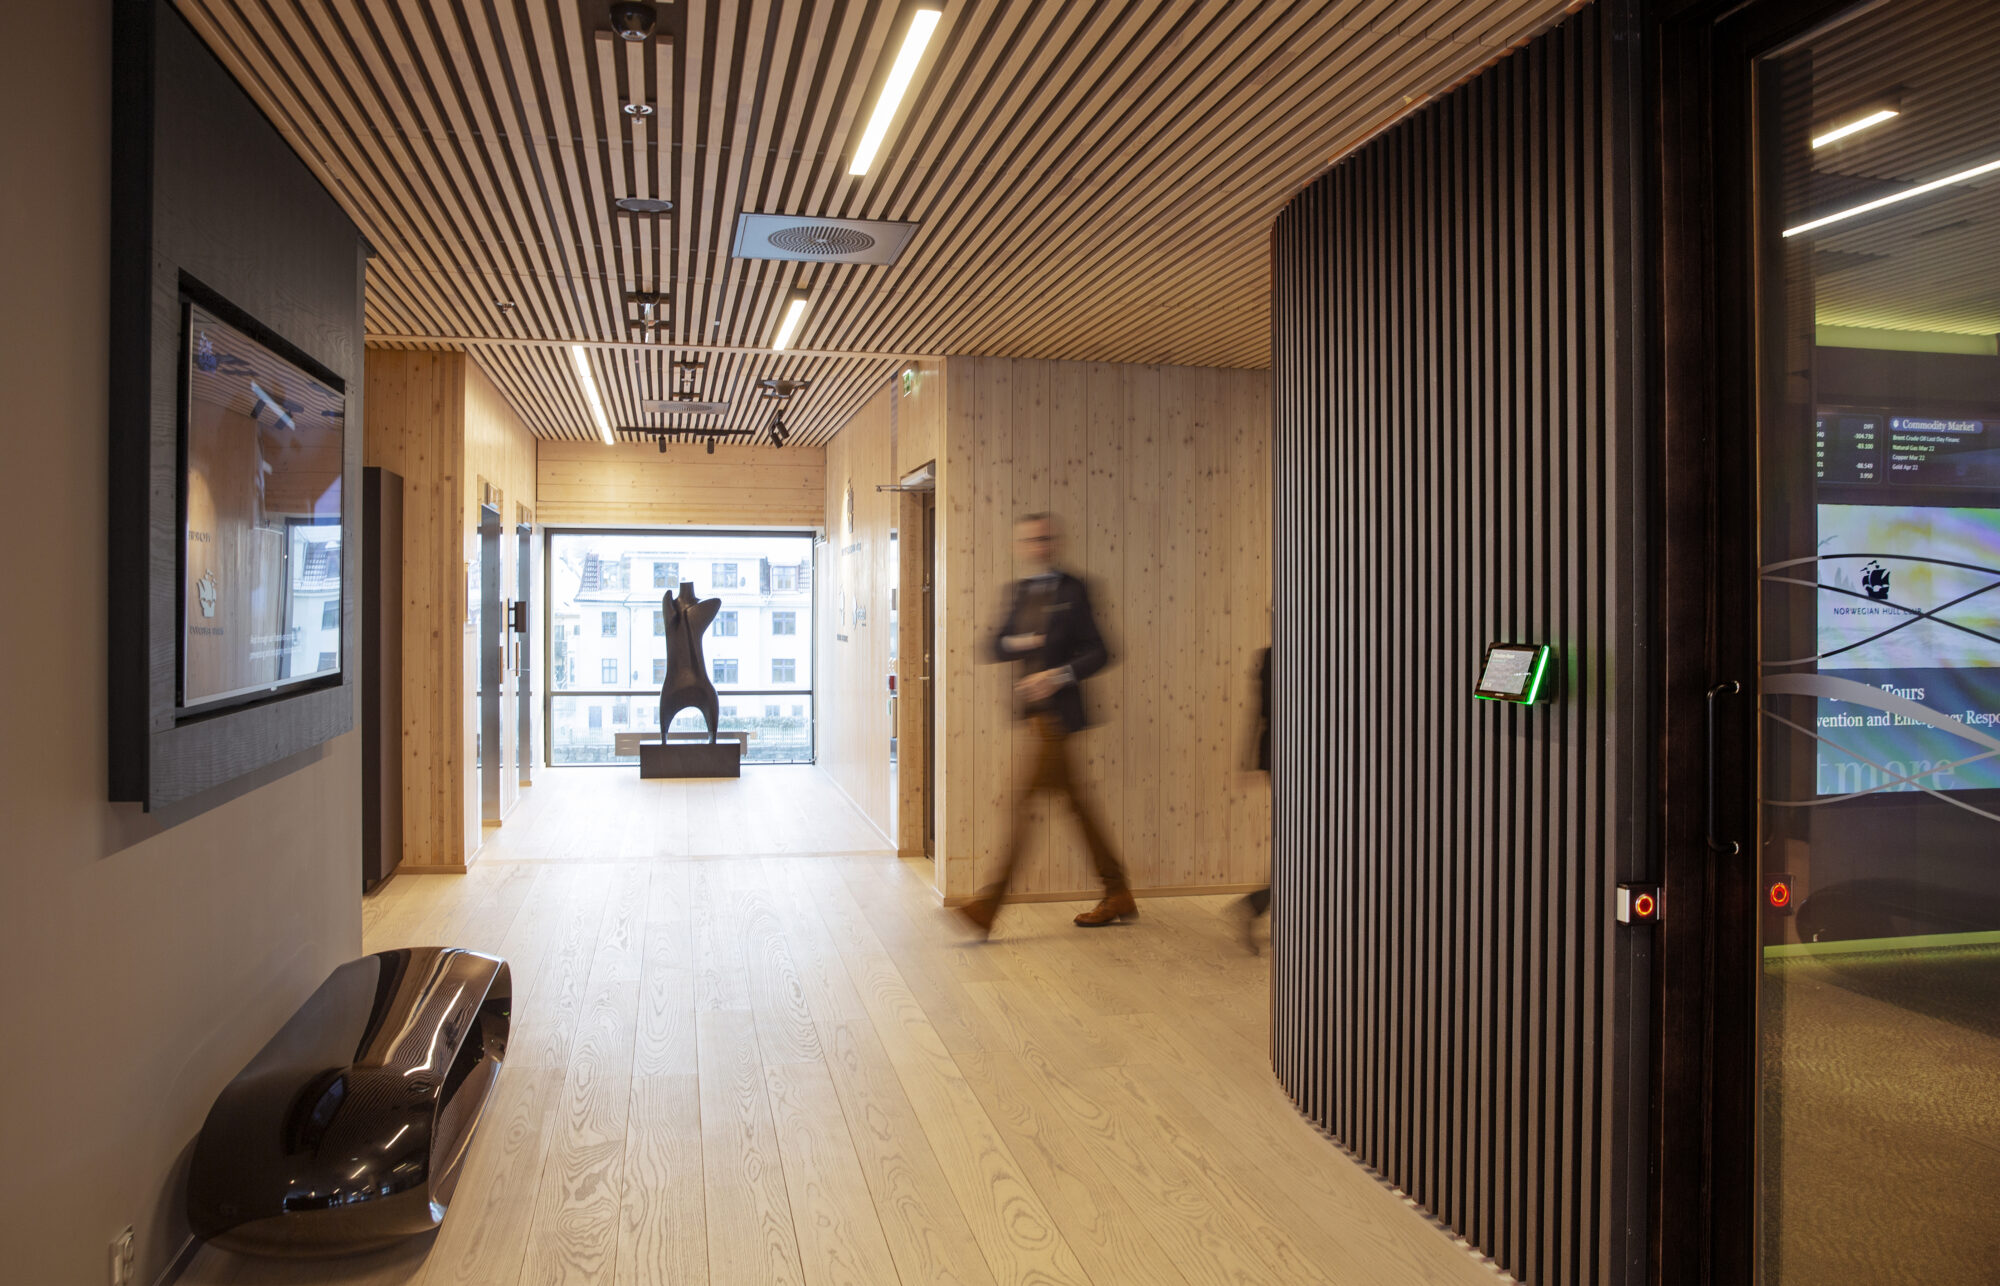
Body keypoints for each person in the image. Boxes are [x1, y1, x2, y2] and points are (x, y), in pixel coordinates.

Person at [956, 513, 1133, 936]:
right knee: (1078, 807)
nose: (1039, 545)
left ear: (1056, 541)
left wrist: (1057, 676)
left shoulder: (1075, 590)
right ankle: (1117, 891)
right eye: (1031, 540)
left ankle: (988, 907)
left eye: (1045, 538)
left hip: (1060, 716)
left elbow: (1102, 651)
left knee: (1023, 805)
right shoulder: (1018, 592)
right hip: (1035, 719)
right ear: (1020, 545)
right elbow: (994, 645)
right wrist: (1028, 641)